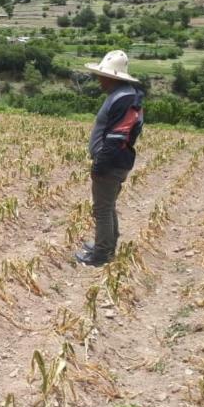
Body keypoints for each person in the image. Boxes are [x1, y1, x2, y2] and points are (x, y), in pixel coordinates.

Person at [76, 50, 144, 267]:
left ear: (111, 77)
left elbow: (116, 137)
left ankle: (102, 254)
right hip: (117, 161)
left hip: (111, 162)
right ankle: (107, 244)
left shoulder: (122, 100)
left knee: (102, 209)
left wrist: (100, 165)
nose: (99, 79)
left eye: (101, 75)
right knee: (108, 205)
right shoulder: (125, 96)